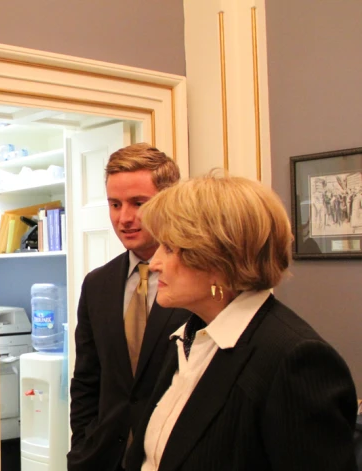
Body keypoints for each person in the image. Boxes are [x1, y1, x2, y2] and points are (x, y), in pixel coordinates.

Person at [125, 173, 357, 471]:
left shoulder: (295, 361)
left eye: (169, 248)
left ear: (215, 258)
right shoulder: (191, 335)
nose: (154, 263)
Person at [68, 143, 192, 471]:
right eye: (114, 204)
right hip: (104, 458)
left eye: (139, 203)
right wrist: (81, 446)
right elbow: (87, 380)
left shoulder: (197, 283)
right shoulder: (98, 285)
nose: (125, 218)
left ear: (168, 202)